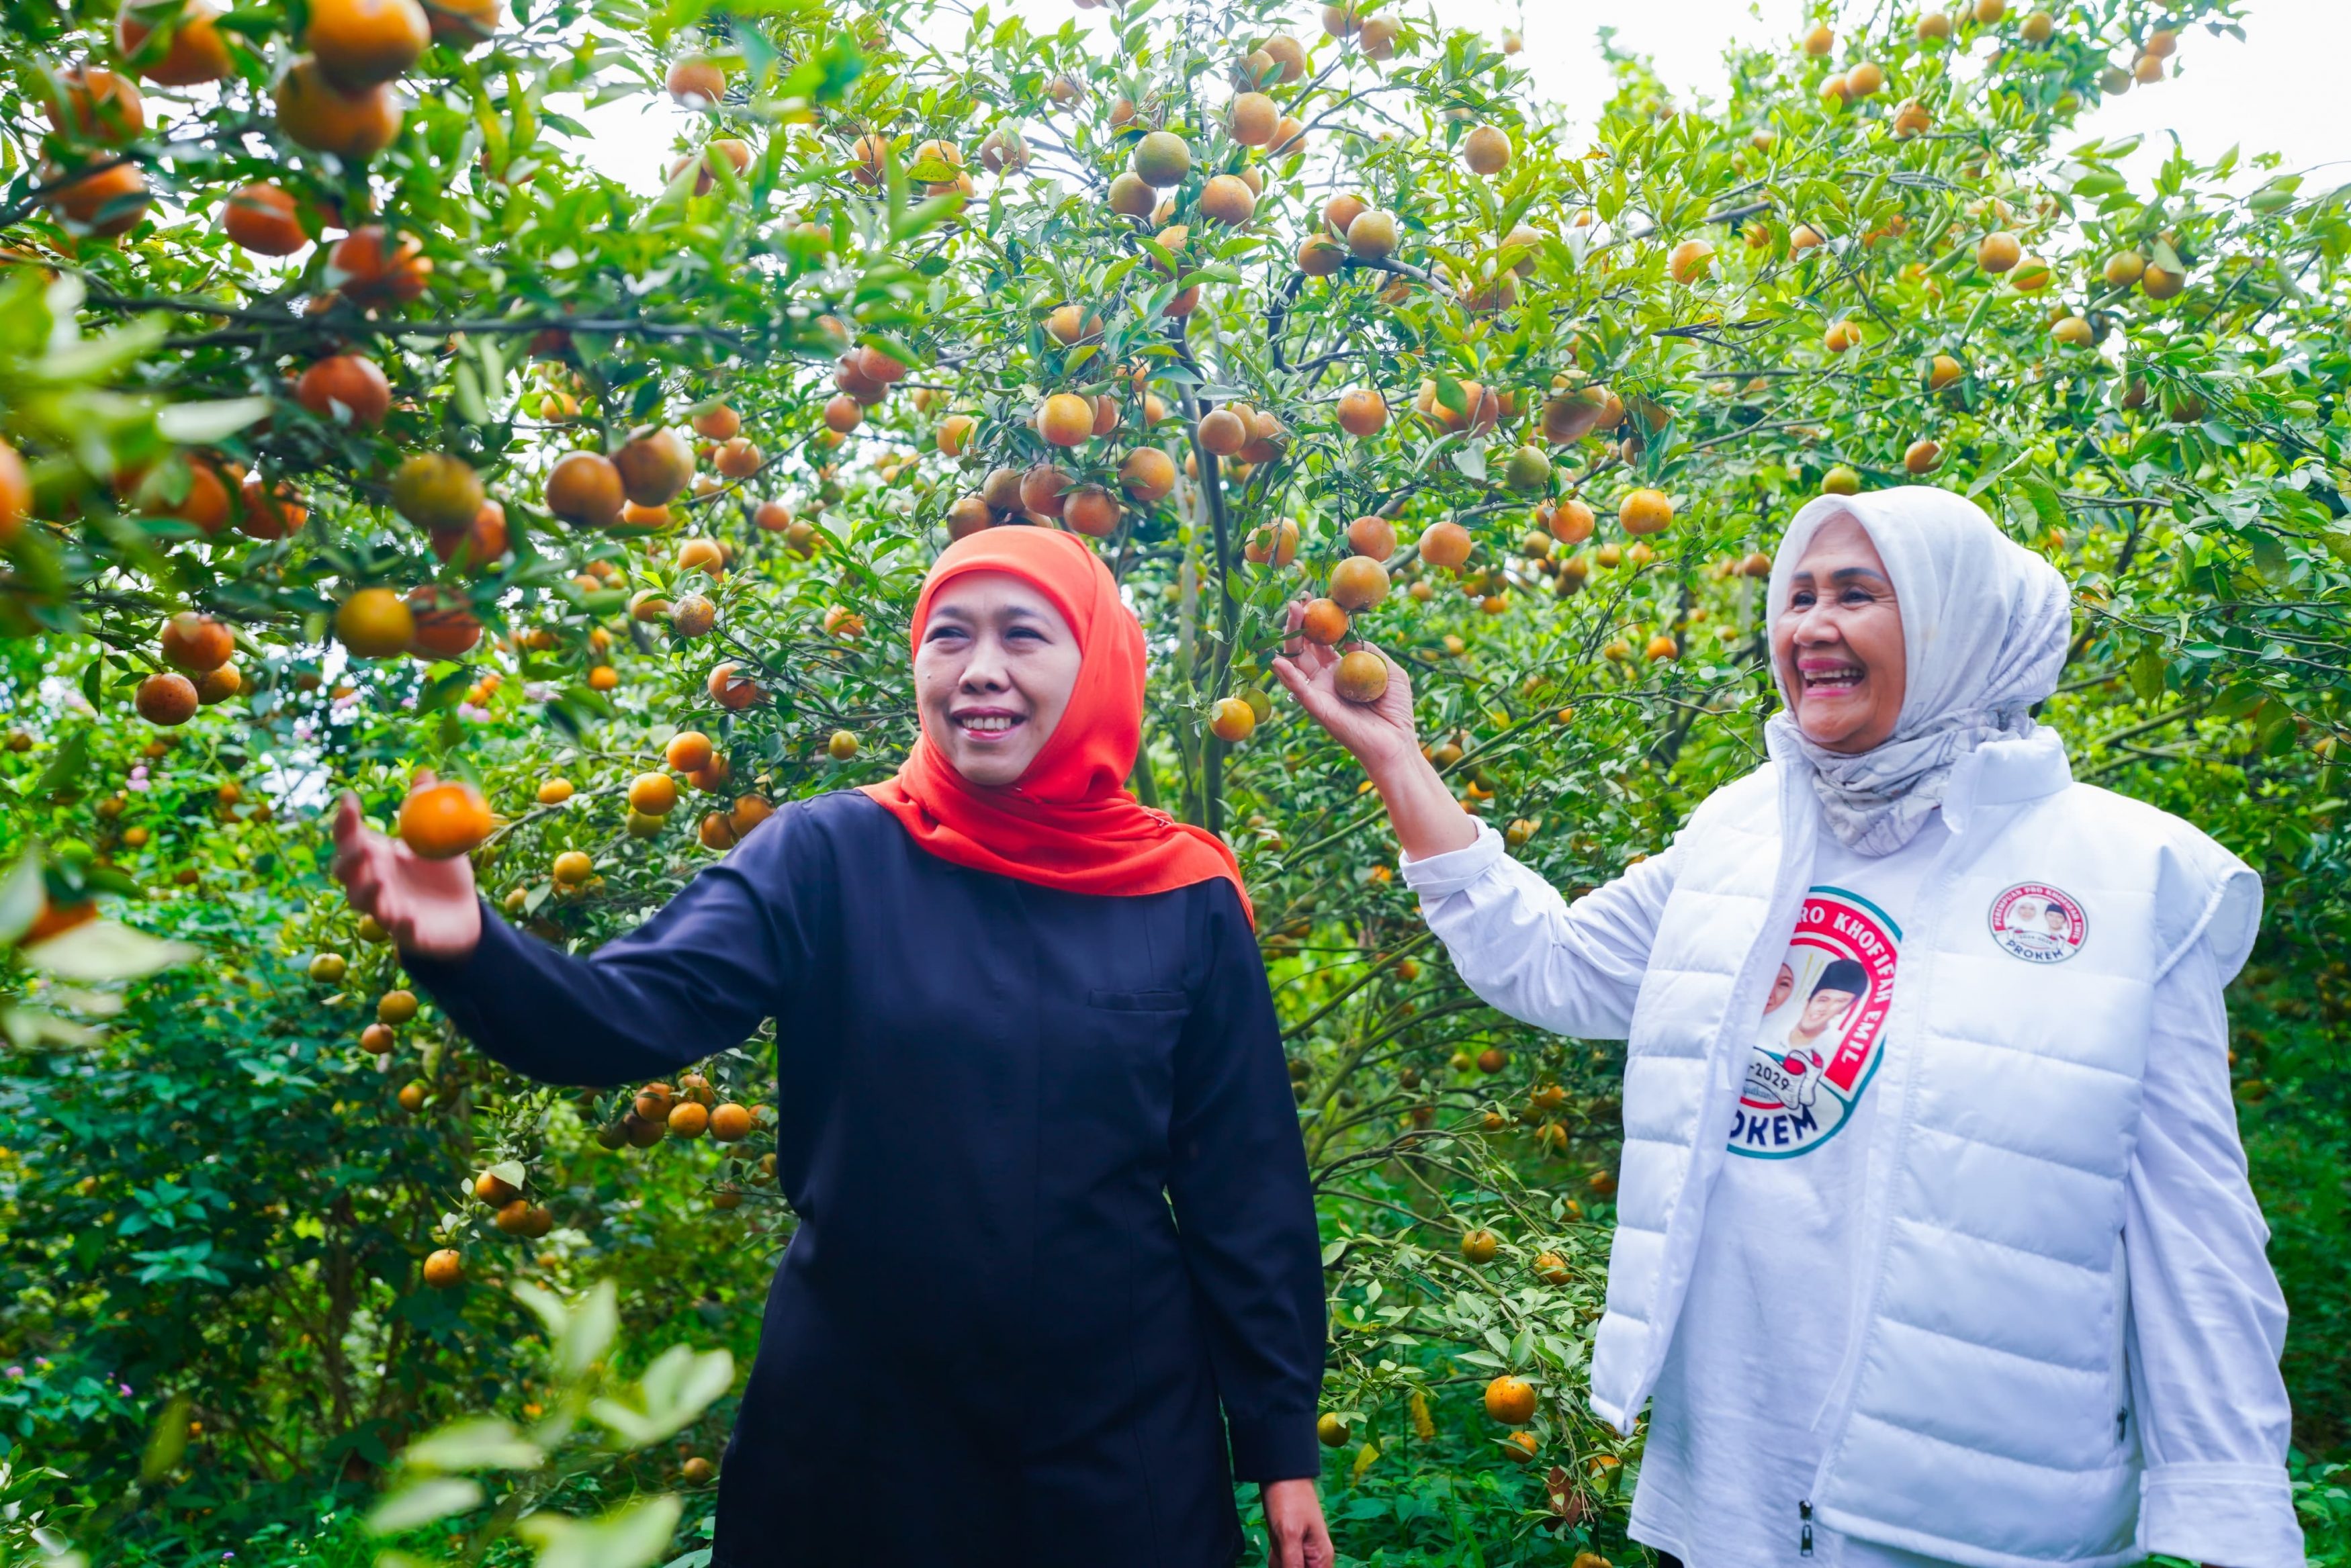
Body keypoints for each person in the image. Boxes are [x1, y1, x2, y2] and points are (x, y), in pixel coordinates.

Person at [1277, 487, 2301, 1568]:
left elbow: (2194, 1230)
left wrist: (2232, 1511)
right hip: (1729, 1493)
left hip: (1975, 1519)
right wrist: (1399, 760)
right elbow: (1557, 967)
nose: (1810, 625)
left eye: (1858, 594)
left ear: (1955, 624)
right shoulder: (1743, 830)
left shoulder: (2128, 877)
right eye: (1797, 594)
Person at [334, 526, 1335, 1568]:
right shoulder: (828, 854)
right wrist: (472, 948)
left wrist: (1278, 1440)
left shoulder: (1183, 892)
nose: (978, 669)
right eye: (949, 636)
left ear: (1096, 663)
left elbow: (1243, 1184)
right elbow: (627, 1012)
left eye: (1023, 635)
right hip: (859, 1430)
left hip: (1117, 1434)